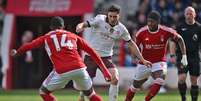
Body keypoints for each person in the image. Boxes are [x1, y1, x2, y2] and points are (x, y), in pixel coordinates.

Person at [11, 16, 112, 101]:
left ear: (51, 27)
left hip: (62, 70)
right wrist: (105, 71)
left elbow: (29, 46)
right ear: (63, 27)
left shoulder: (46, 37)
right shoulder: (73, 36)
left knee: (43, 92)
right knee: (91, 94)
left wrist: (17, 52)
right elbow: (92, 52)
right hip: (80, 68)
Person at [76, 4, 152, 101]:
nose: (112, 18)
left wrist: (143, 60)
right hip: (91, 56)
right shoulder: (99, 19)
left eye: (114, 16)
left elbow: (131, 44)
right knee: (86, 84)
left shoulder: (122, 29)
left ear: (119, 16)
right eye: (110, 16)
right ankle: (82, 96)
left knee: (115, 78)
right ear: (107, 14)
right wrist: (80, 26)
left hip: (106, 57)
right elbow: (85, 24)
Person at [124, 11, 188, 101]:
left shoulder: (166, 31)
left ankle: (146, 100)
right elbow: (135, 47)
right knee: (135, 86)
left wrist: (184, 56)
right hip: (144, 62)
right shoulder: (141, 32)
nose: (149, 23)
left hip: (159, 62)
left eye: (152, 21)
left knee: (160, 79)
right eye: (148, 21)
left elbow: (180, 39)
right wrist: (134, 56)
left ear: (158, 22)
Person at [170, 6, 201, 101]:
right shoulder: (180, 27)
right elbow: (172, 42)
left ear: (194, 15)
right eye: (187, 13)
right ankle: (183, 97)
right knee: (182, 78)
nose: (189, 15)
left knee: (194, 80)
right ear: (184, 15)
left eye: (191, 13)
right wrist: (172, 55)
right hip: (182, 56)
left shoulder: (199, 28)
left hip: (195, 56)